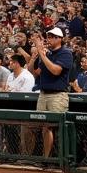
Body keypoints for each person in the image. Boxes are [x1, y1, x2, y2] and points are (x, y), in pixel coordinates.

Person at [23, 27, 73, 160]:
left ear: (59, 39)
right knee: (44, 127)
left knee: (57, 128)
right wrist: (34, 59)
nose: (49, 39)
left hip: (57, 95)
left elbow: (56, 71)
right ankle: (45, 159)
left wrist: (42, 54)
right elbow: (35, 73)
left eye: (52, 37)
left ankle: (61, 160)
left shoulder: (65, 53)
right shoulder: (48, 54)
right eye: (48, 37)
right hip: (43, 94)